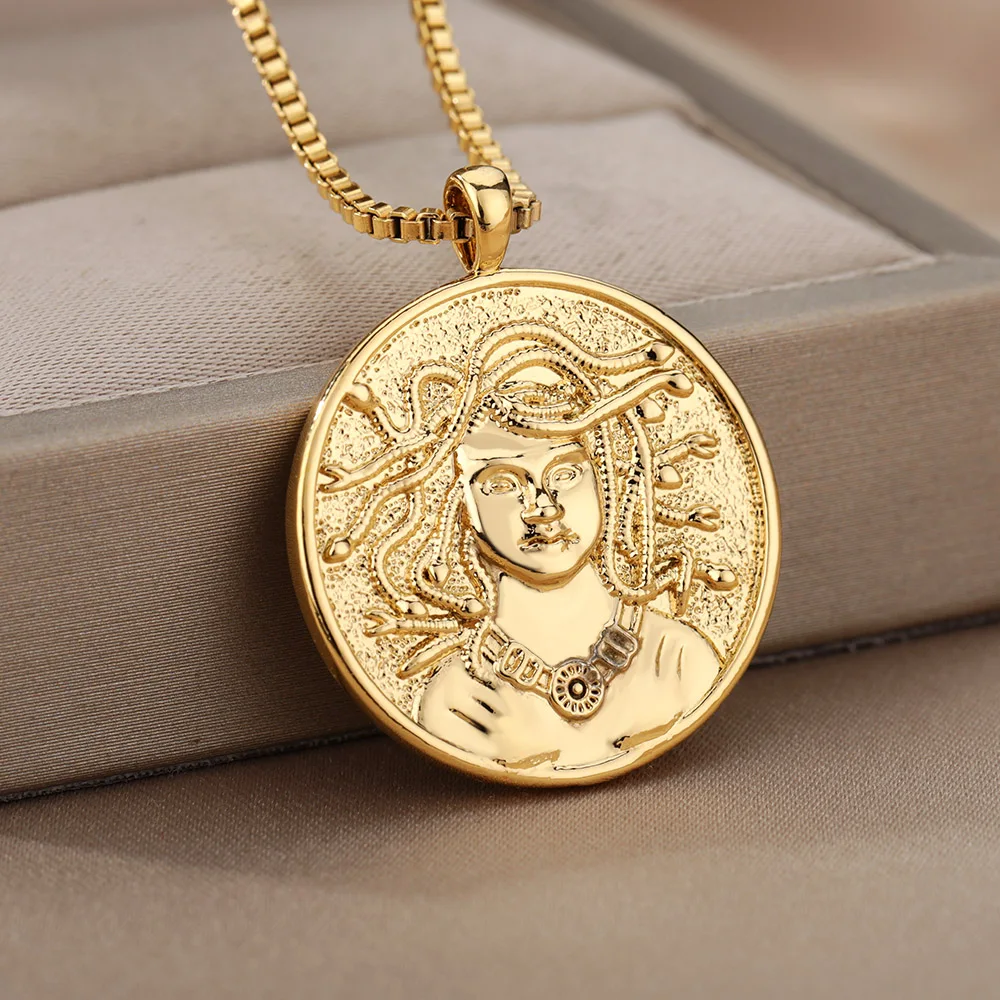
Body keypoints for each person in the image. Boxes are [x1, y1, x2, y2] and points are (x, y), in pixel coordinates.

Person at [324, 323, 731, 771]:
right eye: (503, 484)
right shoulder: (461, 703)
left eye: (565, 474)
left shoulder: (680, 659)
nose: (544, 508)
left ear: (608, 483)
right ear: (456, 505)